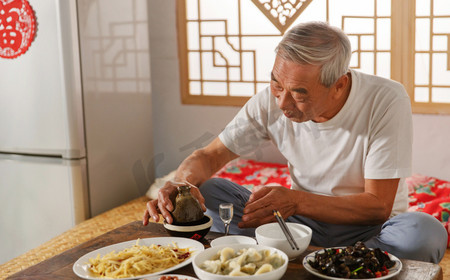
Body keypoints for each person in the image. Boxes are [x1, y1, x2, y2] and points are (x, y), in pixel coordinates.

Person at [143, 21, 447, 263]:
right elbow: (209, 156)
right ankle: (331, 261)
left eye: (299, 93)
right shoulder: (270, 101)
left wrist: (296, 199)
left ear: (339, 85)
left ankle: (310, 257)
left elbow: (377, 206)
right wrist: (181, 183)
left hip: (370, 227)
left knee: (424, 233)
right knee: (208, 192)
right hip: (296, 223)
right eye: (276, 83)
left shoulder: (385, 99)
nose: (283, 102)